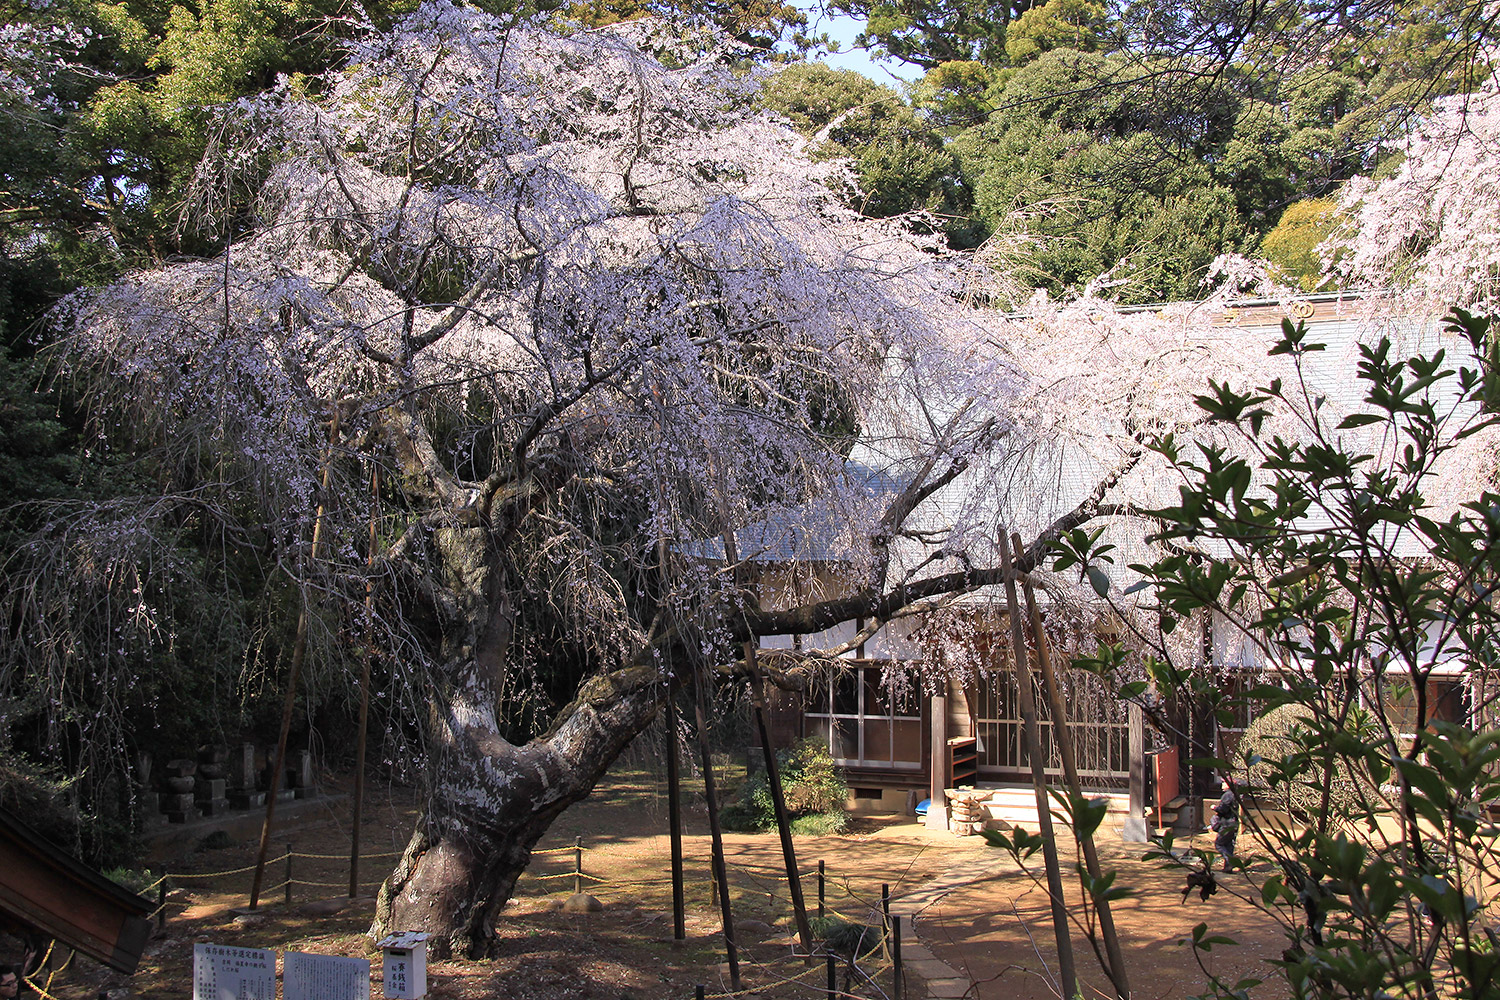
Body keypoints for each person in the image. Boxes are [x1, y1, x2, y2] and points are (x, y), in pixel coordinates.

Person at [1210, 775, 1240, 872]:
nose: (1222, 784)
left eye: (1224, 783)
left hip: (1227, 824)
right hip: (1234, 823)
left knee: (1219, 844)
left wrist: (1215, 808)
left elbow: (1223, 810)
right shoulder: (1235, 794)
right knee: (1229, 845)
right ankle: (1228, 868)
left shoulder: (1227, 795)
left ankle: (1230, 861)